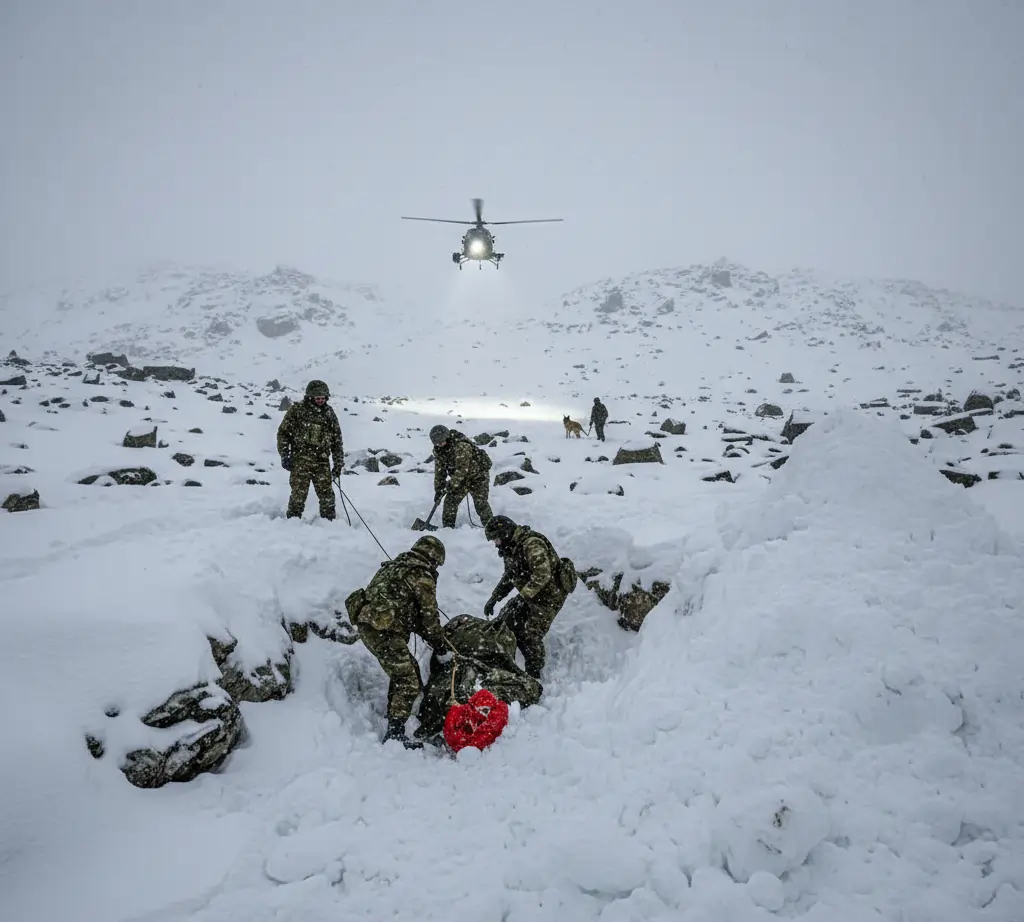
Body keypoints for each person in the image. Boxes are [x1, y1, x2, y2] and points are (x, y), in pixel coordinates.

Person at [346, 535, 448, 749]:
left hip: (370, 623)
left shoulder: (394, 567)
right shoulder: (422, 576)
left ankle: (395, 714)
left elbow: (403, 606)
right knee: (409, 682)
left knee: (406, 671)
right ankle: (394, 734)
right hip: (384, 631)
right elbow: (429, 618)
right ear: (434, 559)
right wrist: (440, 646)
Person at [482, 515, 570, 680]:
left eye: (496, 539)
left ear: (506, 533)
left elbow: (542, 574)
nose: (495, 544)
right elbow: (509, 576)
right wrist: (494, 598)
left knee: (530, 635)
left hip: (550, 597)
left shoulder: (531, 544)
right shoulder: (510, 548)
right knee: (505, 620)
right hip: (531, 593)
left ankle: (534, 673)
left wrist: (524, 596)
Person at [276, 379, 344, 521]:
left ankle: (329, 523)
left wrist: (338, 464)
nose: (320, 401)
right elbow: (283, 433)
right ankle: (292, 523)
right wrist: (284, 455)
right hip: (301, 461)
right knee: (298, 495)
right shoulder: (297, 410)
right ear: (310, 397)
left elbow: (337, 441)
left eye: (323, 398)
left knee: (327, 496)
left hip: (321, 462)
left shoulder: (329, 413)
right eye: (317, 398)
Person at [429, 424, 494, 529]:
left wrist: (452, 484)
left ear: (447, 436)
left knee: (481, 504)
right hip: (460, 480)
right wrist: (438, 489)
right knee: (450, 502)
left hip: (478, 477)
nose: (439, 444)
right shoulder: (439, 451)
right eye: (437, 443)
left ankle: (492, 529)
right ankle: (448, 530)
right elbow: (439, 471)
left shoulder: (461, 445)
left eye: (441, 441)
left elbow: (463, 469)